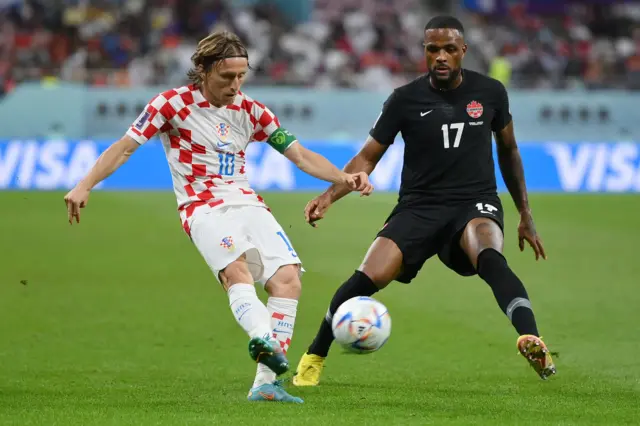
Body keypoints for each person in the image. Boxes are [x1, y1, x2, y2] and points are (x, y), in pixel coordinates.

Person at [63, 30, 373, 404]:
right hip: (201, 205)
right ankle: (263, 336)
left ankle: (265, 385)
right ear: (204, 69)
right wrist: (85, 184)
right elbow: (124, 148)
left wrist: (344, 178)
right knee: (236, 272)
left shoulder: (252, 111)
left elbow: (301, 155)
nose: (235, 84)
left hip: (247, 201)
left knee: (288, 279)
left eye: (242, 76)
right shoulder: (171, 104)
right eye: (228, 76)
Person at [293, 16, 556, 387]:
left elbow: (509, 150)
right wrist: (330, 194)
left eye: (450, 49)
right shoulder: (404, 99)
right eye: (433, 49)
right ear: (425, 53)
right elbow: (367, 157)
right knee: (367, 277)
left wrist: (525, 214)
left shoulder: (492, 92)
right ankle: (313, 357)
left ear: (463, 50)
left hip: (474, 201)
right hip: (419, 206)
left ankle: (532, 339)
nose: (442, 57)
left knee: (489, 255)